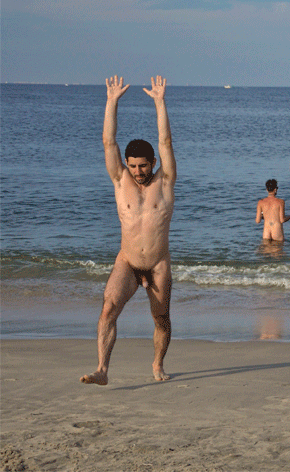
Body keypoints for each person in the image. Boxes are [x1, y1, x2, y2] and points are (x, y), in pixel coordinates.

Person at [81, 75, 177, 385]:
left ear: (153, 162)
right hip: (128, 261)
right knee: (108, 308)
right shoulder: (120, 180)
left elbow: (166, 142)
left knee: (161, 318)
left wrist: (159, 102)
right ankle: (102, 370)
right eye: (133, 165)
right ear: (126, 163)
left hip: (158, 263)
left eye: (143, 165)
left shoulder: (165, 181)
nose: (138, 171)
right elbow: (108, 141)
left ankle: (157, 363)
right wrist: (111, 101)